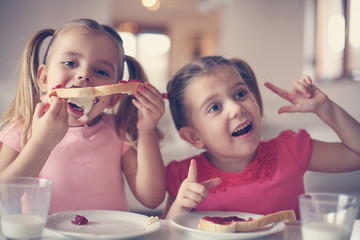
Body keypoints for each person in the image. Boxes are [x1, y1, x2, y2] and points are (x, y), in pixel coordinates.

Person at [0, 19, 166, 214]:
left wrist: (146, 129)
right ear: (44, 79)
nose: (84, 75)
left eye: (101, 71)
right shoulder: (24, 128)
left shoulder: (117, 131)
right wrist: (41, 144)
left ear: (113, 97)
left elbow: (152, 198)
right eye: (70, 63)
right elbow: (4, 196)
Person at [163, 55, 360, 219]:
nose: (237, 108)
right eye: (215, 107)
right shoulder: (186, 177)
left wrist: (326, 108)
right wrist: (179, 208)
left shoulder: (290, 151)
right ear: (194, 136)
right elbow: (167, 234)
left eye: (240, 94)